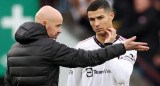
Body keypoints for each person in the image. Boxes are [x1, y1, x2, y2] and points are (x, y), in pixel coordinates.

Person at [4, 6, 149, 86]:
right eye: (58, 26)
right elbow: (86, 58)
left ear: (111, 16)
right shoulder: (51, 47)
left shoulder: (13, 50)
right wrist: (118, 47)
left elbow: (8, 83)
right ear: (44, 24)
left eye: (100, 18)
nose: (60, 30)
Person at [67, 0, 138, 86]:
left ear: (111, 16)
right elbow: (71, 83)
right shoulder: (81, 47)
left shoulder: (127, 46)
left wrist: (108, 47)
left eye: (100, 18)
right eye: (92, 19)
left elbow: (121, 78)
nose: (96, 23)